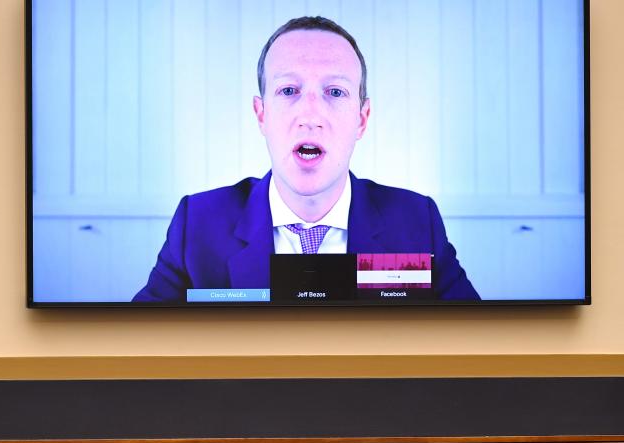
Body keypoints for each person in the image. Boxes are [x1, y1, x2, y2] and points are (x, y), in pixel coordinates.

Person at [134, 16, 479, 302]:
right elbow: (138, 351)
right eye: (288, 90)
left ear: (362, 119)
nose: (310, 114)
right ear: (261, 115)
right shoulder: (197, 226)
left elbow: (474, 347)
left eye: (334, 92)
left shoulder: (417, 223)